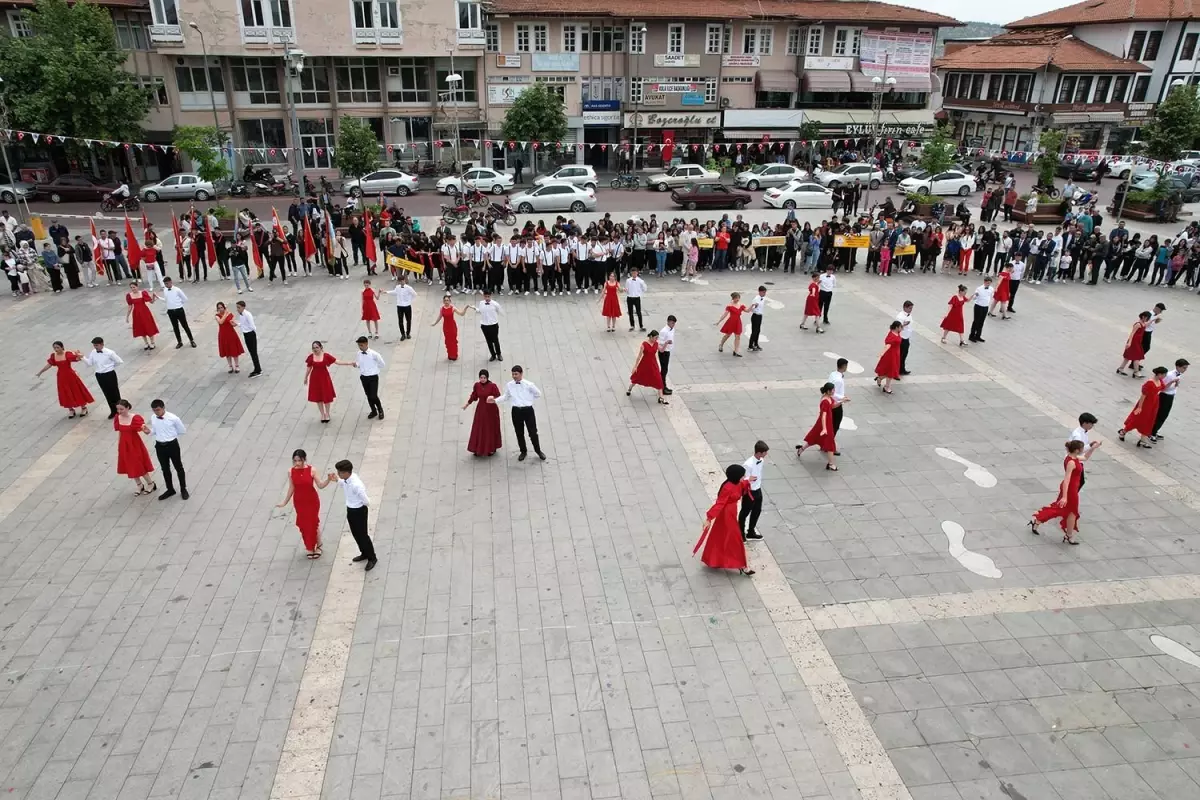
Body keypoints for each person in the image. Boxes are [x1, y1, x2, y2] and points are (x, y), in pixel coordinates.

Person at [691, 464, 755, 576]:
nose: (743, 477)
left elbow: (740, 484)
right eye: (742, 476)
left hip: (731, 512)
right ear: (736, 476)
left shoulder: (734, 483)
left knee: (720, 537)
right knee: (735, 540)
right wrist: (709, 518)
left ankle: (713, 559)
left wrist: (747, 481)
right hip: (726, 515)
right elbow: (720, 503)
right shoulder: (727, 487)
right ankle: (742, 565)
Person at [275, 449, 334, 559]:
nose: (297, 463)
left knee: (313, 523)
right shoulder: (291, 471)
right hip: (299, 501)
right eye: (295, 461)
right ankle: (310, 547)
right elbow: (291, 487)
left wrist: (328, 480)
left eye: (299, 460)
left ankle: (317, 545)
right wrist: (285, 502)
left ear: (304, 459)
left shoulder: (312, 470)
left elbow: (320, 485)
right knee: (304, 524)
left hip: (311, 500)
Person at [1029, 440, 1089, 545]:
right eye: (1082, 449)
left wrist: (1093, 448)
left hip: (1072, 488)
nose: (1083, 450)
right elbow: (1067, 480)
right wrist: (1065, 497)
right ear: (1076, 450)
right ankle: (1039, 520)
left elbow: (1085, 458)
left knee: (1070, 512)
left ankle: (1068, 535)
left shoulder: (1072, 457)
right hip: (1070, 490)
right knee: (1065, 510)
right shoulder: (1071, 462)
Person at [487, 365, 546, 461]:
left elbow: (538, 394)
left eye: (516, 374)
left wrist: (529, 400)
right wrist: (495, 401)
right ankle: (523, 451)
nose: (514, 376)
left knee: (533, 432)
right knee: (519, 432)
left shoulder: (529, 384)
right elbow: (506, 396)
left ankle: (538, 451)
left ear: (521, 374)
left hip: (528, 410)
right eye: (513, 374)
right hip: (516, 411)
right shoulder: (510, 385)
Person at [331, 459, 377, 571]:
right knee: (356, 534)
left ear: (346, 472)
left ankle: (372, 557)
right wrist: (337, 480)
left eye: (340, 472)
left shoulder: (357, 485)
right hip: (351, 510)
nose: (338, 474)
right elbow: (343, 484)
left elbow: (366, 501)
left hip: (359, 511)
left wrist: (361, 505)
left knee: (363, 535)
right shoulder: (346, 479)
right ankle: (364, 553)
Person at [35, 341, 94, 419]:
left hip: (70, 376)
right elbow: (49, 365)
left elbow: (76, 359)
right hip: (61, 377)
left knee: (76, 390)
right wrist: (40, 372)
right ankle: (71, 409)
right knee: (65, 392)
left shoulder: (67, 354)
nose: (56, 349)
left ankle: (83, 408)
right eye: (55, 348)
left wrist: (79, 355)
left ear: (62, 347)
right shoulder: (54, 356)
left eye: (57, 347)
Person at [113, 399, 156, 496]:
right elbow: (120, 431)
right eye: (118, 409)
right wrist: (119, 444)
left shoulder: (135, 418)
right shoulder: (117, 417)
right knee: (130, 465)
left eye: (122, 409)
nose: (119, 412)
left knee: (139, 463)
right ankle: (139, 485)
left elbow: (143, 429)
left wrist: (146, 429)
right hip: (124, 444)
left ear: (127, 408)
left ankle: (150, 483)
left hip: (134, 444)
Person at [148, 398, 189, 501]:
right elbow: (154, 430)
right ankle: (170, 489)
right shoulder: (153, 417)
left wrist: (170, 436)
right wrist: (149, 431)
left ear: (163, 408)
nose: (156, 412)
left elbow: (182, 430)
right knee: (165, 469)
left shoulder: (173, 418)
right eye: (154, 410)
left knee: (178, 467)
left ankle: (183, 489)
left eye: (158, 410)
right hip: (159, 446)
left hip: (172, 445)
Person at [1119, 366, 1168, 449]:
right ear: (1159, 374)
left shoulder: (1159, 380)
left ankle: (1143, 440)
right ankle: (1123, 432)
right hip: (1146, 404)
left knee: (1149, 421)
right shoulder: (1149, 383)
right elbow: (1143, 396)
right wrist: (1140, 407)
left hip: (1154, 403)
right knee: (1137, 419)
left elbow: (1163, 388)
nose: (1165, 376)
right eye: (1164, 375)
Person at [796, 383, 839, 470]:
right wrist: (824, 428)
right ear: (828, 391)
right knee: (830, 443)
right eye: (833, 390)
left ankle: (801, 449)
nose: (834, 391)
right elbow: (823, 416)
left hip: (826, 424)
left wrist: (842, 401)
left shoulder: (829, 398)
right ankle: (830, 464)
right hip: (825, 425)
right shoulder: (825, 401)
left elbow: (833, 406)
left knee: (815, 438)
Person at [341, 336, 386, 420]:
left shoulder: (374, 354)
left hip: (373, 377)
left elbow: (382, 364)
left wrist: (374, 369)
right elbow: (359, 363)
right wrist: (356, 365)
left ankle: (380, 409)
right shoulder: (359, 353)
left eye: (361, 345)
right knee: (368, 395)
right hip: (364, 377)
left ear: (366, 344)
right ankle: (373, 410)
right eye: (359, 345)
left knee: (373, 395)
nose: (360, 347)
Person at [463, 369, 502, 457]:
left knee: (490, 428)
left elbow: (498, 396)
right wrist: (467, 404)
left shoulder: (492, 386)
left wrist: (493, 398)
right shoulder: (477, 385)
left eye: (484, 377)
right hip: (481, 410)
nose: (482, 379)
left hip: (491, 410)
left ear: (487, 378)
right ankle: (477, 448)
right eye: (481, 377)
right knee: (479, 428)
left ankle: (491, 448)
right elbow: (474, 395)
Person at [84, 337, 123, 419]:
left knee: (114, 392)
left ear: (102, 344)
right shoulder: (93, 352)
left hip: (109, 374)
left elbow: (119, 361)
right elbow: (89, 363)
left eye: (97, 345)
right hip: (99, 375)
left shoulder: (110, 352)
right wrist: (82, 357)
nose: (95, 347)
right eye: (94, 345)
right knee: (107, 393)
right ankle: (113, 411)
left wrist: (110, 367)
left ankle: (120, 410)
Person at [1151, 358, 1188, 442]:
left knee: (1164, 415)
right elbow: (1163, 387)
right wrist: (1172, 383)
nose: (1185, 370)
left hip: (1171, 396)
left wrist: (1176, 384)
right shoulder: (1170, 375)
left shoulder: (1178, 374)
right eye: (1184, 368)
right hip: (1165, 396)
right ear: (1178, 367)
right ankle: (1152, 432)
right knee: (1161, 414)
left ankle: (1155, 430)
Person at [626, 330, 667, 405]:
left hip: (653, 364)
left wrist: (666, 344)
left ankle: (661, 397)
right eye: (655, 338)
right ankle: (630, 388)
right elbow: (639, 356)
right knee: (637, 377)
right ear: (651, 337)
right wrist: (635, 367)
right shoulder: (644, 344)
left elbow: (661, 350)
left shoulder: (656, 344)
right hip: (644, 364)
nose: (656, 339)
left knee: (658, 379)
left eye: (657, 338)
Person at [738, 441, 769, 540]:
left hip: (758, 489)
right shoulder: (748, 464)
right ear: (759, 453)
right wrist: (749, 480)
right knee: (745, 513)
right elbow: (743, 479)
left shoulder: (761, 460)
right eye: (765, 452)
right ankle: (740, 533)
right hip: (749, 491)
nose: (766, 454)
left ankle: (751, 531)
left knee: (757, 511)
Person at [304, 340, 338, 423]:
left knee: (326, 395)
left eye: (317, 347)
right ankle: (322, 414)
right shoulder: (311, 357)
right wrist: (305, 377)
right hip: (315, 379)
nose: (315, 349)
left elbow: (336, 361)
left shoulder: (325, 356)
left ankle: (327, 413)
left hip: (324, 378)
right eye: (313, 348)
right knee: (318, 397)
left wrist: (349, 363)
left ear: (321, 347)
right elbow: (309, 368)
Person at [161, 277, 197, 349]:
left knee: (185, 325)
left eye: (167, 283)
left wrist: (179, 304)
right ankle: (179, 342)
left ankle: (191, 340)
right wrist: (158, 297)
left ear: (171, 282)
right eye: (165, 284)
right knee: (175, 327)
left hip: (179, 310)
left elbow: (185, 298)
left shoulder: (177, 290)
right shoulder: (165, 290)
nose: (166, 285)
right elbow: (166, 300)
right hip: (171, 311)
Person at [124, 281, 159, 351]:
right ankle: (146, 343)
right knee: (141, 328)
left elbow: (151, 302)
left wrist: (154, 297)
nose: (133, 289)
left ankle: (152, 342)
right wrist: (127, 316)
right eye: (131, 288)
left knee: (148, 326)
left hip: (145, 312)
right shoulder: (129, 295)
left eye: (134, 287)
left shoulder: (143, 293)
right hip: (136, 313)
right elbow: (130, 306)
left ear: (137, 287)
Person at [1116, 311, 1152, 378]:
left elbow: (1148, 323)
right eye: (1147, 318)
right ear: (1143, 317)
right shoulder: (1138, 324)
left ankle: (1121, 368)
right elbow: (1132, 333)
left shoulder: (1143, 324)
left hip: (1138, 342)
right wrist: (1129, 343)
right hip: (1133, 342)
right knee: (1137, 356)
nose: (1147, 319)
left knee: (1128, 356)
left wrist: (1155, 318)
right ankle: (1136, 372)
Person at [432, 294, 467, 361]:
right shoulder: (442, 309)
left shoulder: (453, 308)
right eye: (445, 300)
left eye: (447, 300)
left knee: (453, 341)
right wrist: (435, 323)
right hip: (446, 327)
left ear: (450, 301)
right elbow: (440, 317)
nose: (446, 302)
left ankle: (454, 355)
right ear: (443, 301)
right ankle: (450, 355)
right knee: (448, 341)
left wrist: (465, 308)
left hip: (452, 327)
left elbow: (461, 314)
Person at [873, 320, 903, 395]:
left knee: (890, 371)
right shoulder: (892, 336)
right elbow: (888, 345)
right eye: (900, 327)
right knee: (891, 371)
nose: (901, 328)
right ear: (896, 327)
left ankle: (880, 378)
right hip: (891, 355)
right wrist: (882, 353)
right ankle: (887, 387)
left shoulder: (897, 332)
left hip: (896, 354)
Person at [382, 274, 416, 340]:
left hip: (407, 306)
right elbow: (394, 292)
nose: (401, 282)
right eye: (400, 281)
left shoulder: (409, 288)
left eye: (402, 281)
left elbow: (414, 294)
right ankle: (402, 334)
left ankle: (408, 333)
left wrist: (409, 300)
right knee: (400, 321)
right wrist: (386, 292)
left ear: (404, 280)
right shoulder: (397, 287)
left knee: (408, 320)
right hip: (400, 306)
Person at [474, 291, 503, 362]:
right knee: (488, 341)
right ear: (483, 296)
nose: (487, 298)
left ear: (490, 296)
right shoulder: (481, 303)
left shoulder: (495, 304)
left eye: (488, 296)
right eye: (485, 296)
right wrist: (475, 308)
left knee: (495, 340)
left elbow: (500, 311)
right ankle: (493, 355)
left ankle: (499, 354)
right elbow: (480, 311)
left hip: (493, 325)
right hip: (484, 325)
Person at [716, 292, 747, 357]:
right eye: (736, 298)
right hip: (731, 322)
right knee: (727, 335)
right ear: (733, 298)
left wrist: (753, 306)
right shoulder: (730, 306)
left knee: (737, 336)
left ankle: (735, 351)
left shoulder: (741, 305)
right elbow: (725, 314)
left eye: (738, 298)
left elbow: (747, 310)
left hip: (738, 322)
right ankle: (721, 344)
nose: (737, 299)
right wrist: (719, 321)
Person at [235, 301, 262, 377]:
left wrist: (249, 331)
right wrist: (237, 324)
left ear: (243, 307)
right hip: (246, 334)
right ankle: (257, 368)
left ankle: (258, 370)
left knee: (254, 353)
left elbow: (252, 326)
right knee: (251, 352)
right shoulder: (241, 315)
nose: (237, 309)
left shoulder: (247, 314)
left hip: (250, 334)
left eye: (239, 307)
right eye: (237, 307)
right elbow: (243, 324)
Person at [968, 276, 994, 343]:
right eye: (987, 283)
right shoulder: (979, 289)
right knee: (976, 321)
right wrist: (975, 295)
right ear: (984, 282)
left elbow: (991, 296)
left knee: (981, 322)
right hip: (978, 306)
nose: (988, 284)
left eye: (989, 283)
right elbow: (974, 298)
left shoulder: (991, 289)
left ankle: (978, 335)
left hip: (985, 307)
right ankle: (971, 336)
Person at [658, 315, 676, 396]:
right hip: (663, 352)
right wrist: (667, 342)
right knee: (664, 370)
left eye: (674, 323)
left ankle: (664, 386)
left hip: (668, 351)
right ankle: (662, 387)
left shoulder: (672, 329)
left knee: (665, 370)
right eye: (672, 323)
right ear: (668, 322)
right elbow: (660, 342)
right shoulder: (663, 331)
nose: (673, 325)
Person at [895, 301, 914, 375]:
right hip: (901, 338)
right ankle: (896, 371)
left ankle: (902, 369)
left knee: (904, 354)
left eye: (911, 308)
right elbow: (897, 328)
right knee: (900, 355)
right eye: (909, 308)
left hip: (906, 337)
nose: (911, 310)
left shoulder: (909, 315)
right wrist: (904, 324)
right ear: (904, 307)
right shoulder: (900, 317)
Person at [625, 268, 646, 332]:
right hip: (630, 297)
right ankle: (632, 325)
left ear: (637, 273)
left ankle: (641, 326)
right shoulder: (628, 280)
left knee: (638, 312)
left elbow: (644, 288)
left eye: (635, 273)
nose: (634, 274)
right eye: (633, 273)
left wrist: (639, 293)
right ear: (631, 273)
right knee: (630, 312)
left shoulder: (640, 281)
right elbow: (626, 288)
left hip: (637, 298)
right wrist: (627, 291)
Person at [748, 286, 768, 352]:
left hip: (760, 316)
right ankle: (750, 346)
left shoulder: (763, 298)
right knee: (754, 331)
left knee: (758, 331)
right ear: (759, 291)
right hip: (755, 316)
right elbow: (751, 309)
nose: (764, 294)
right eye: (763, 292)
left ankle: (756, 344)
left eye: (765, 292)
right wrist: (754, 307)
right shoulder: (756, 299)